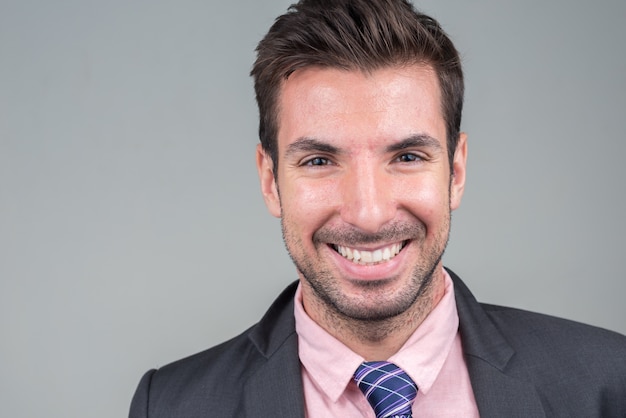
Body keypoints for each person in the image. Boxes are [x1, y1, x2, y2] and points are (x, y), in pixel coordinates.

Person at [129, 0, 626, 416]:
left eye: (407, 157)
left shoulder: (607, 383)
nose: (368, 214)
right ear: (270, 181)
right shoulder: (173, 405)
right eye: (320, 160)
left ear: (455, 172)